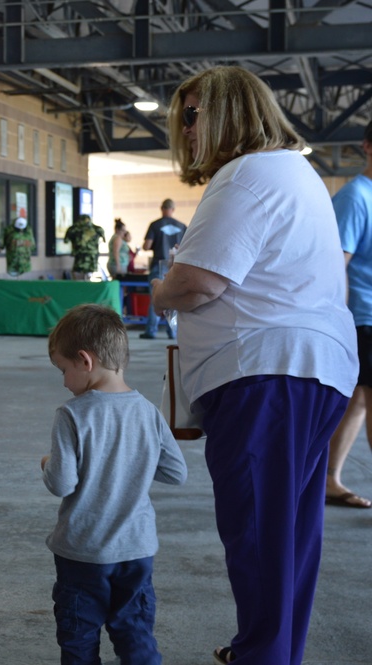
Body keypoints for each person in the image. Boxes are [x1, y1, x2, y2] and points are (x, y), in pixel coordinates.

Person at [150, 65, 357, 665]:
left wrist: (157, 293)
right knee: (289, 532)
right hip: (307, 371)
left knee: (260, 533)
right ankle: (269, 648)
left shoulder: (245, 176)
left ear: (230, 112)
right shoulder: (293, 171)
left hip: (266, 375)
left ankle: (263, 655)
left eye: (193, 115)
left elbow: (196, 282)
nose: (186, 130)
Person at [41, 303, 187, 665]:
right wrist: (133, 460)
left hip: (83, 551)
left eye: (63, 369)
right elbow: (176, 472)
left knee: (79, 636)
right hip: (136, 549)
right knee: (135, 632)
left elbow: (61, 483)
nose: (63, 381)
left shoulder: (72, 414)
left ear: (85, 361)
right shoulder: (149, 411)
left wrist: (47, 464)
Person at [325, 119, 372, 509]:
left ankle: (328, 479)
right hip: (364, 316)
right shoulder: (356, 197)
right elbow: (332, 266)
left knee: (358, 400)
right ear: (367, 147)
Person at [140, 199, 186, 338]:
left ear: (161, 208)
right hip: (176, 265)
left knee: (156, 296)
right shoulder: (182, 226)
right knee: (173, 298)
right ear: (173, 209)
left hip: (158, 265)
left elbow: (147, 246)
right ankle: (173, 332)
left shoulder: (155, 225)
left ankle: (151, 331)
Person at [64, 214, 105, 280]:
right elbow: (103, 241)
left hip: (81, 258)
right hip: (89, 258)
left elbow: (66, 241)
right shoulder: (98, 229)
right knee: (85, 278)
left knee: (79, 279)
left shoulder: (73, 229)